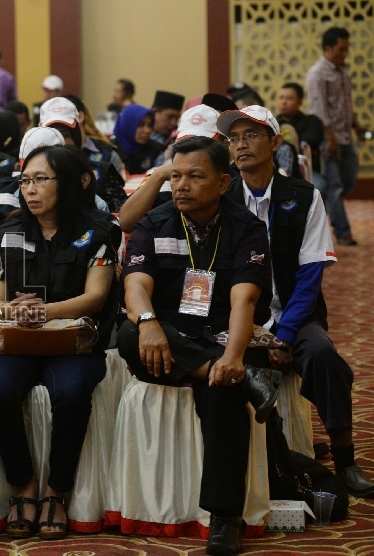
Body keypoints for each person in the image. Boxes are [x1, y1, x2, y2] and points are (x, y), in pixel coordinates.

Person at [118, 136, 277, 556]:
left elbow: (245, 299)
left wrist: (233, 357)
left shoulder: (246, 228)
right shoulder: (155, 222)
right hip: (166, 334)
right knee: (127, 335)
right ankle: (242, 380)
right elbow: (135, 284)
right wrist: (149, 322)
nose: (181, 185)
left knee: (223, 384)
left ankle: (225, 519)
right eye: (176, 176)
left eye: (194, 176)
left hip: (221, 333)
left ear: (224, 183)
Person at [216, 106, 374, 498]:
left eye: (250, 135)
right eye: (234, 138)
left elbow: (310, 275)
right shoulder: (223, 199)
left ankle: (345, 460)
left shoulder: (304, 197)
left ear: (275, 142)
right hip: (238, 318)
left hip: (292, 315)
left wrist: (284, 335)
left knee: (323, 356)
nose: (240, 145)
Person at [0, 145, 121, 540]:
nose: (30, 189)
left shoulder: (97, 229)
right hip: (22, 339)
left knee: (72, 392)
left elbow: (95, 297)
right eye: (25, 180)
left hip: (74, 342)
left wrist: (46, 311)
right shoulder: (11, 229)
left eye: (41, 179)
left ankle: (56, 491)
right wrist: (11, 312)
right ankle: (23, 485)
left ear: (69, 183)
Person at [118, 103, 227, 233]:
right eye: (185, 144)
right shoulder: (162, 176)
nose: (192, 152)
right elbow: (126, 223)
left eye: (201, 144)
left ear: (224, 144)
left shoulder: (238, 178)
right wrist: (159, 175)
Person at [306, 26, 366, 246]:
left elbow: (345, 105)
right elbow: (319, 111)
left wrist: (356, 125)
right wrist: (330, 139)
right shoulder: (317, 74)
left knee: (348, 181)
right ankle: (342, 232)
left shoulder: (342, 72)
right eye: (341, 49)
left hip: (346, 137)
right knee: (336, 186)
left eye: (346, 49)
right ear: (328, 48)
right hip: (329, 139)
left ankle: (333, 211)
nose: (345, 53)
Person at [39, 97, 126, 211]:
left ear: (76, 138)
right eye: (53, 135)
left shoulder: (104, 174)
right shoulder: (28, 182)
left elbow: (120, 218)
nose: (59, 142)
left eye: (65, 135)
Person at [276, 82, 325, 192]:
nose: (284, 102)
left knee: (319, 188)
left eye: (289, 98)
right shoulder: (273, 124)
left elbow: (311, 141)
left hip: (308, 172)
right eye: (281, 98)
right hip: (279, 171)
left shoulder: (311, 121)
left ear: (300, 102)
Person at [112, 104, 165, 175]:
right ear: (128, 125)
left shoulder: (156, 150)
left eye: (150, 125)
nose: (147, 130)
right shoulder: (110, 149)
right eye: (141, 125)